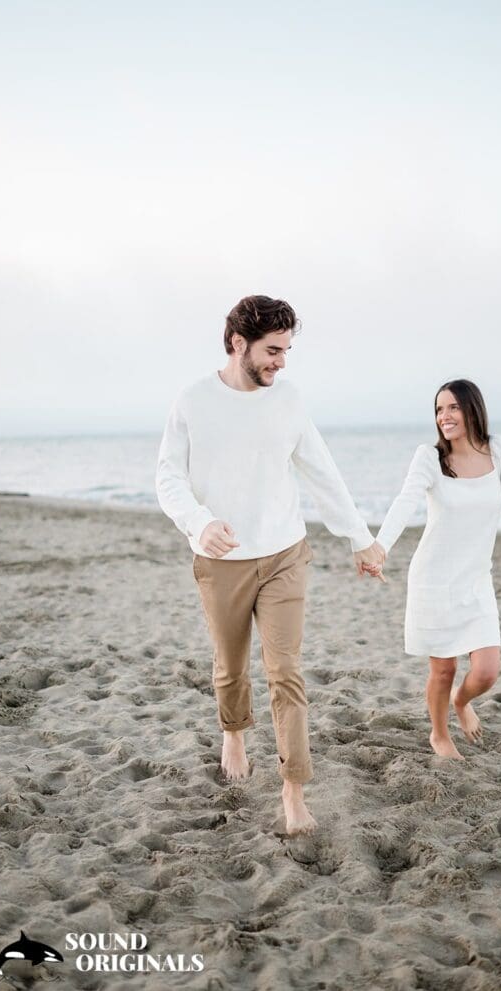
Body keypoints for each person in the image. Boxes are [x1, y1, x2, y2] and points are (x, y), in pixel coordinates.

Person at [155, 295, 382, 833]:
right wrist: (198, 521)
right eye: (273, 350)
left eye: (286, 350)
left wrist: (359, 539)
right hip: (222, 560)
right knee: (231, 666)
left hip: (284, 553)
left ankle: (293, 790)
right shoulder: (192, 400)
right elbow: (168, 477)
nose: (281, 362)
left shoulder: (289, 400)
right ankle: (233, 733)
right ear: (238, 343)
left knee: (286, 672)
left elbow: (321, 471)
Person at [362, 379, 501, 759]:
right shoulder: (430, 458)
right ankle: (439, 734)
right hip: (434, 580)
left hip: (476, 581)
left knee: (487, 671)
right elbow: (405, 502)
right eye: (439, 410)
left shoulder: (500, 451)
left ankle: (462, 702)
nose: (445, 416)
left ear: (472, 409)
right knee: (442, 670)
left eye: (453, 407)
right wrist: (379, 547)